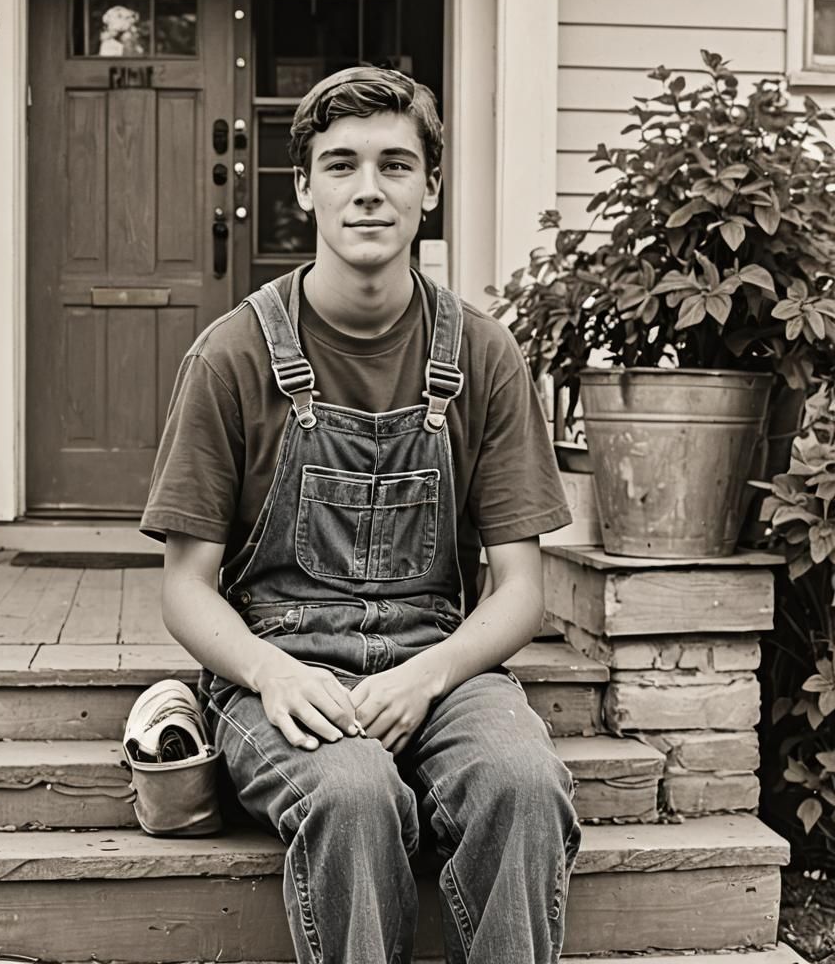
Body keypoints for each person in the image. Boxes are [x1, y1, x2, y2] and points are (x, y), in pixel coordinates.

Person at [141, 65, 581, 964]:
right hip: (284, 672)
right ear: (303, 187)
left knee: (524, 783)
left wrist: (430, 675)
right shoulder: (230, 358)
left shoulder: (486, 356)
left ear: (431, 186)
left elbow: (521, 588)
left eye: (395, 163)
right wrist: (269, 674)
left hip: (440, 662)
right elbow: (185, 588)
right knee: (352, 794)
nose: (369, 190)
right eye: (340, 165)